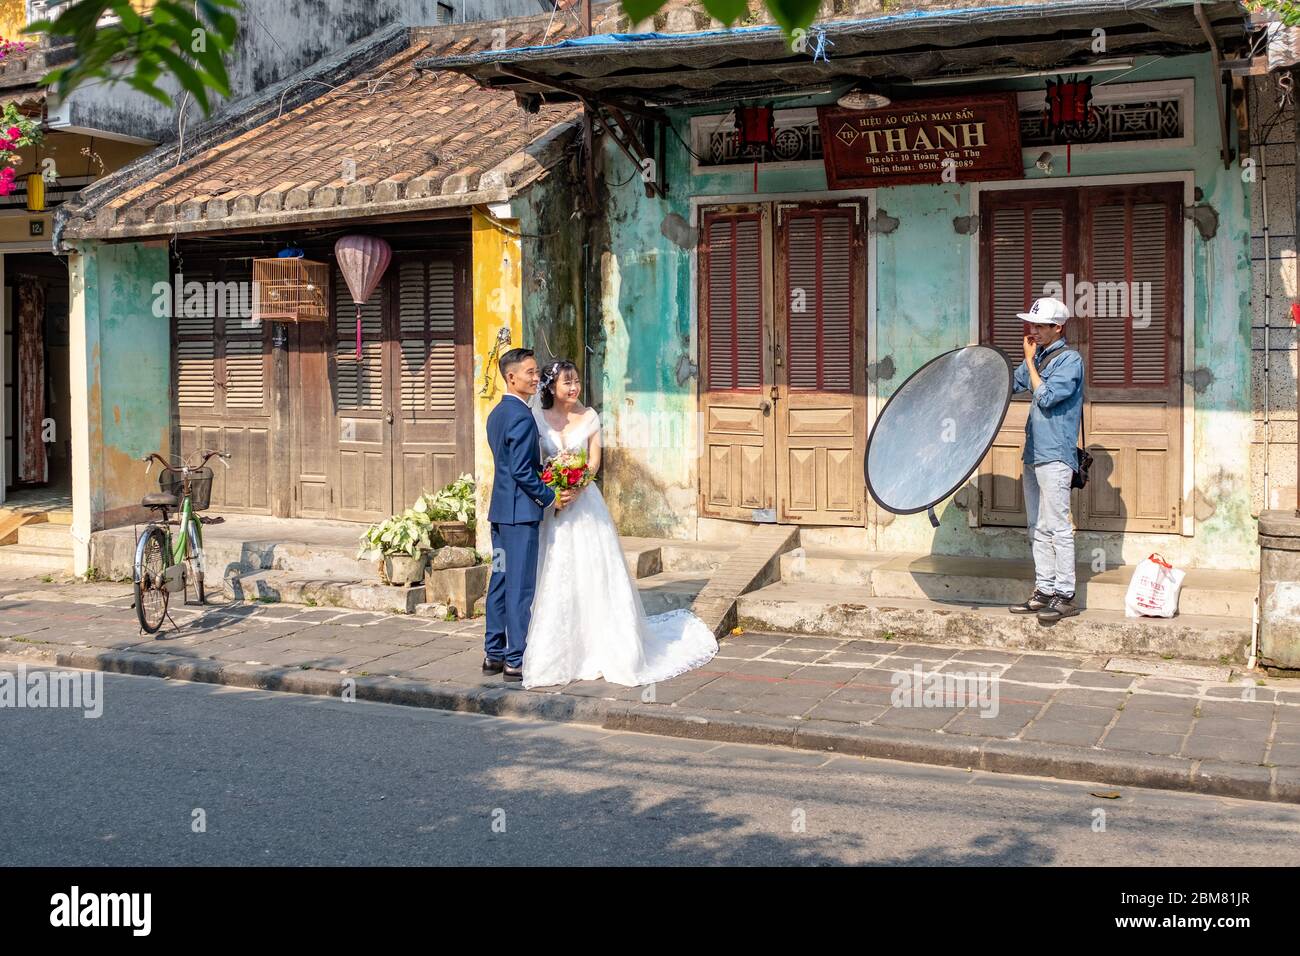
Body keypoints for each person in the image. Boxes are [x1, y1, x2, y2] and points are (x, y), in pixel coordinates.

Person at [521, 359, 718, 688]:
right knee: (556, 570)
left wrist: (578, 485)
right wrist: (554, 490)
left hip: (585, 504)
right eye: (567, 382)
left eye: (576, 382)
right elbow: (534, 462)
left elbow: (595, 461)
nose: (574, 388)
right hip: (553, 504)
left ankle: (607, 647)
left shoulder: (590, 417)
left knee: (596, 569)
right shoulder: (537, 418)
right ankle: (559, 651)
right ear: (550, 387)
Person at [483, 347, 575, 683]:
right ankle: (515, 659)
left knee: (500, 579)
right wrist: (550, 496)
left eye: (537, 373)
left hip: (500, 516)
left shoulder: (497, 414)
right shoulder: (522, 417)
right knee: (519, 588)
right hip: (520, 517)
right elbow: (522, 471)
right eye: (531, 373)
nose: (537, 379)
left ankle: (492, 652)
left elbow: (511, 466)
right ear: (511, 377)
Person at [1007, 297, 1085, 623]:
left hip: (1055, 454)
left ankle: (1064, 595)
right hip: (1034, 452)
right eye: (1032, 325)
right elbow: (1011, 384)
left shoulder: (1070, 360)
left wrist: (1029, 361)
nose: (1033, 331)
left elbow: (1047, 396)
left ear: (1058, 327)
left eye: (1040, 326)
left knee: (1058, 527)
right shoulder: (1038, 357)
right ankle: (1043, 589)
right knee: (1037, 525)